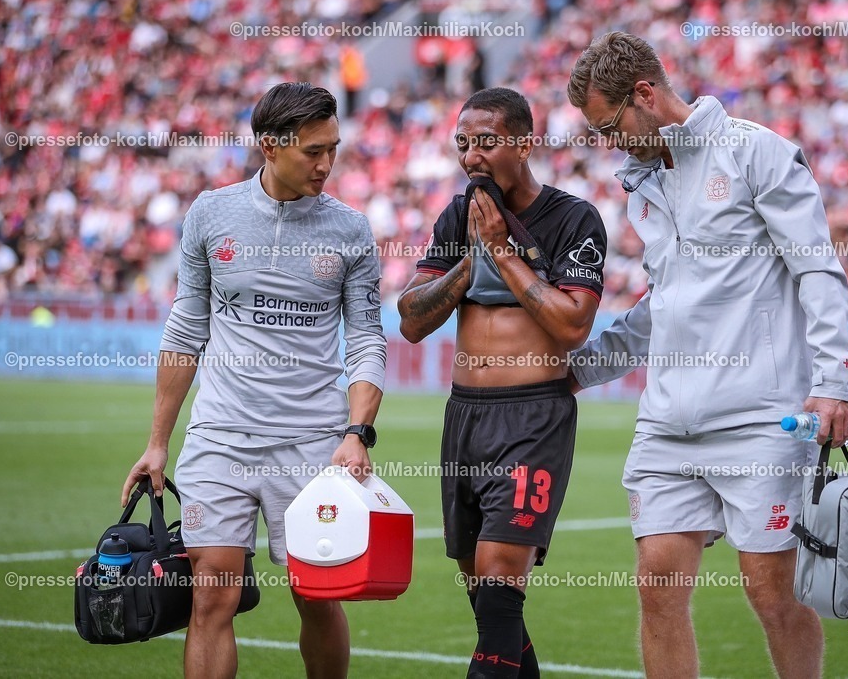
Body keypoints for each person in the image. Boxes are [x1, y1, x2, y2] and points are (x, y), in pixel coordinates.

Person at [565, 32, 848, 679]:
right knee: (657, 589)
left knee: (772, 593)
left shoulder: (757, 151)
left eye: (611, 125)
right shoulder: (643, 184)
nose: (611, 142)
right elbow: (663, 305)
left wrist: (834, 381)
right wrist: (579, 370)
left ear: (645, 93)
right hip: (667, 425)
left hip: (761, 419)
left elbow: (817, 269)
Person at [121, 82, 386, 679]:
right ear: (270, 145)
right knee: (211, 597)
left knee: (317, 597)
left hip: (314, 446)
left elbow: (368, 338)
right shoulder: (211, 213)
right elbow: (185, 329)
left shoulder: (350, 229)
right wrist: (157, 442)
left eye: (333, 149)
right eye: (313, 151)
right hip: (219, 439)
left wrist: (357, 433)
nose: (327, 164)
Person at [397, 87, 607, 679]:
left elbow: (572, 324)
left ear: (524, 143)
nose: (472, 156)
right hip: (465, 415)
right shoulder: (455, 216)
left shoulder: (572, 218)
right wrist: (471, 261)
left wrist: (501, 251)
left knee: (497, 575)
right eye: (463, 143)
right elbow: (412, 319)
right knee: (485, 593)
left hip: (533, 416)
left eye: (487, 142)